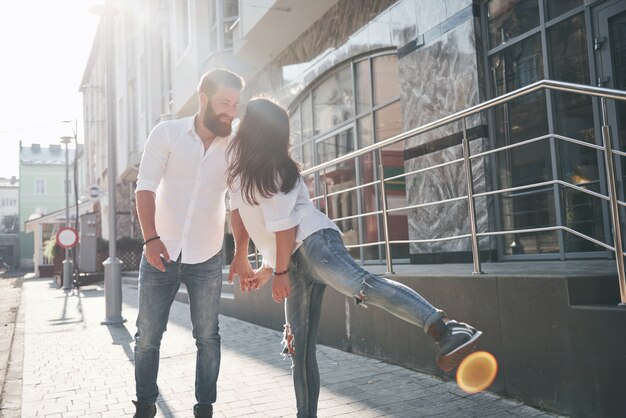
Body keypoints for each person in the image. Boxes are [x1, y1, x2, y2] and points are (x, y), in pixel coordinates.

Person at [227, 97, 483, 418]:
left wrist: (277, 272)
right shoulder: (238, 162)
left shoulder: (278, 169)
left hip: (314, 242)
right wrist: (258, 263)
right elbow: (244, 213)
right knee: (300, 351)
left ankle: (446, 329)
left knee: (362, 286)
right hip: (289, 258)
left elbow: (286, 227)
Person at [133, 68, 244, 418]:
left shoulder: (235, 147)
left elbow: (239, 203)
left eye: (235, 104)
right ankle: (146, 406)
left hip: (207, 255)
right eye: (225, 102)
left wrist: (241, 253)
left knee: (208, 336)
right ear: (204, 99)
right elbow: (145, 187)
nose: (231, 111)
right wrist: (150, 238)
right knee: (148, 336)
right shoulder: (167, 133)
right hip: (160, 252)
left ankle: (205, 408)